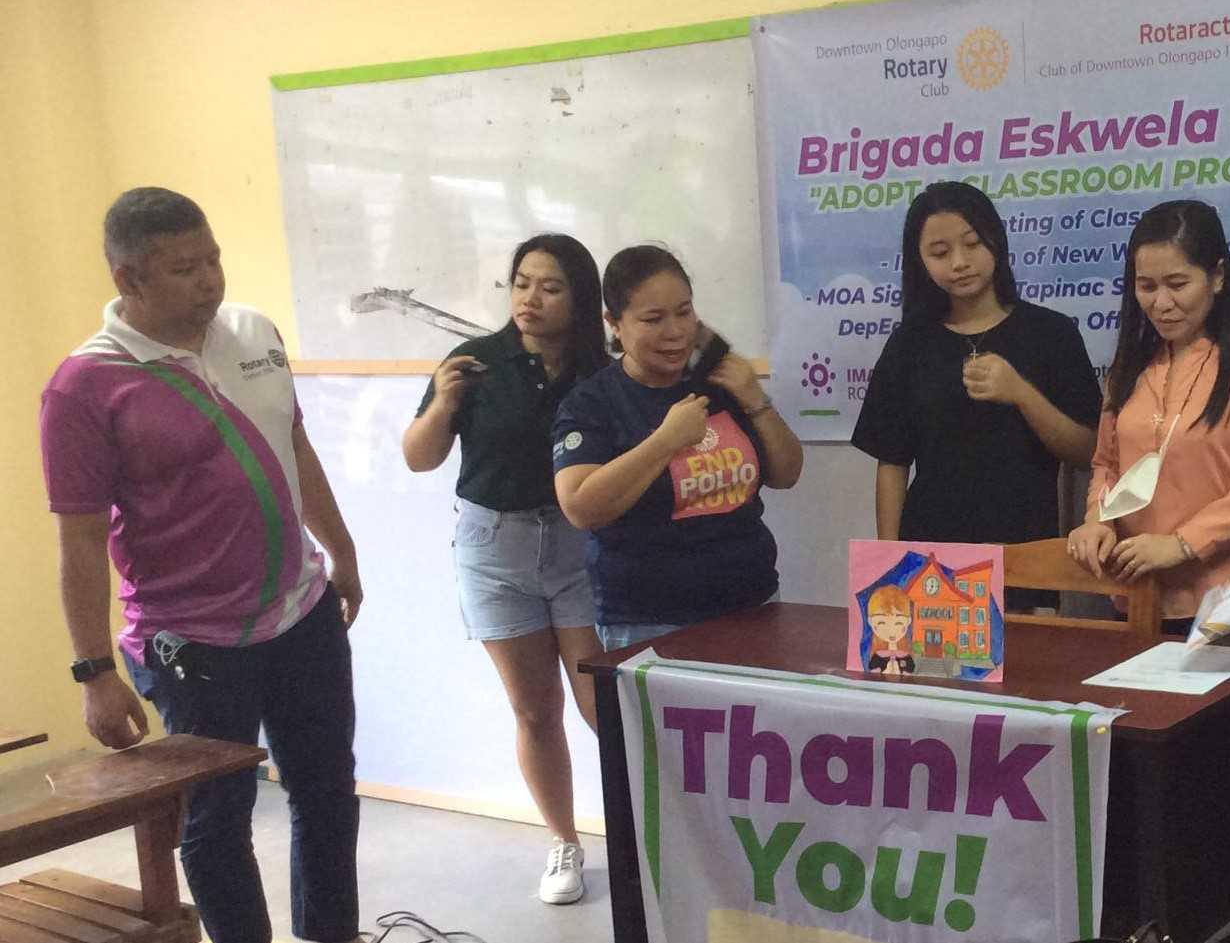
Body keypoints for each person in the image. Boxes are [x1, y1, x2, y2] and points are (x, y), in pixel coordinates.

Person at [40, 187, 364, 943]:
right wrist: (93, 672)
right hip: (192, 640)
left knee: (327, 790)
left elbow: (295, 445)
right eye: (185, 269)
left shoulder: (253, 331)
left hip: (301, 609)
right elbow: (79, 540)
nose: (209, 281)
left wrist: (342, 551)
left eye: (213, 259)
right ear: (129, 279)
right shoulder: (85, 386)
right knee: (218, 819)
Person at [400, 233, 609, 904]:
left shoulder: (601, 370)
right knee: (535, 709)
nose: (530, 298)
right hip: (494, 549)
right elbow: (419, 457)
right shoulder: (475, 363)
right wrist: (441, 404)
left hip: (578, 546)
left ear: (580, 298)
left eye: (550, 287)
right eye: (521, 283)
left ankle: (644, 831)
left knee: (603, 705)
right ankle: (564, 842)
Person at [852, 182, 1101, 613]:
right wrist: (890, 559)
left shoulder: (1051, 333)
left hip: (1026, 553)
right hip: (932, 558)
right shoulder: (910, 343)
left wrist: (1021, 393)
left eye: (972, 244)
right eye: (939, 252)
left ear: (996, 240)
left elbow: (1088, 451)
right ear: (919, 261)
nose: (959, 263)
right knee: (932, 657)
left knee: (1026, 654)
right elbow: (891, 461)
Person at [1066, 199, 1230, 631]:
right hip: (1136, 596)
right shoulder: (1131, 366)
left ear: (1217, 277)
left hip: (1229, 602)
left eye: (1178, 284)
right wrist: (1097, 522)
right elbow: (1106, 464)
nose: (1161, 303)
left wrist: (1182, 544)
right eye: (1146, 286)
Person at [553, 244, 803, 650]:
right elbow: (580, 506)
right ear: (614, 323)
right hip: (649, 620)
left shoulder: (719, 382)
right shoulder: (592, 403)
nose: (675, 332)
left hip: (753, 604)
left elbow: (788, 474)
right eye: (653, 319)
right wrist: (666, 441)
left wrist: (755, 399)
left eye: (684, 312)